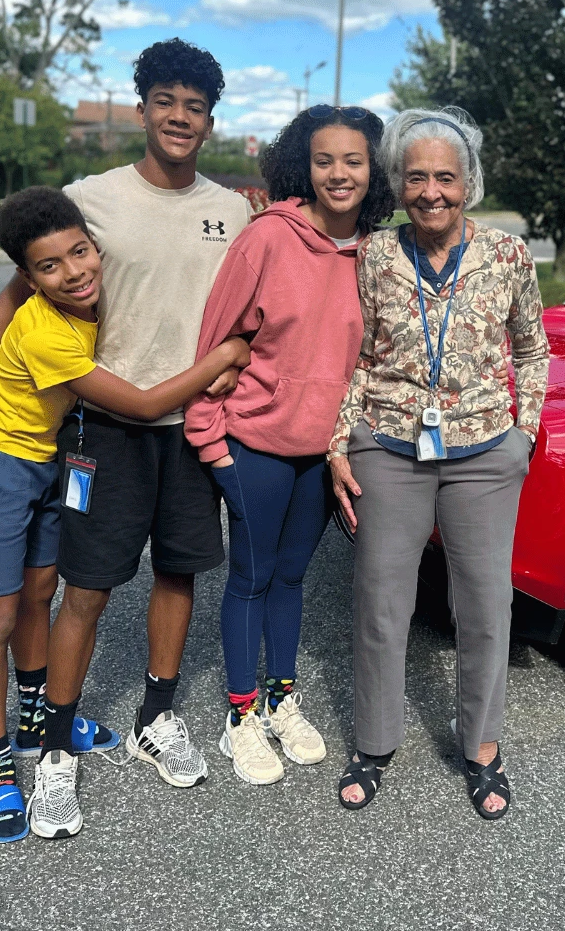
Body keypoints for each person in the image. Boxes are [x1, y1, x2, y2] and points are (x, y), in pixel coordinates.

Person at [0, 39, 251, 838]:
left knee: (180, 573)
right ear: (142, 106)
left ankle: (157, 714)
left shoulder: (234, 210)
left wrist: (235, 369)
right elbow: (14, 302)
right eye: (166, 101)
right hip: (106, 429)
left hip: (192, 432)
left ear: (210, 119)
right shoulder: (91, 201)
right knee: (85, 587)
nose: (180, 117)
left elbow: (251, 310)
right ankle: (54, 754)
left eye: (195, 106)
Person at [329, 107, 549, 820]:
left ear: (469, 184)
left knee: (485, 605)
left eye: (446, 178)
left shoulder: (509, 256)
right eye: (416, 176)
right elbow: (358, 358)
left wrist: (526, 433)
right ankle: (374, 741)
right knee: (382, 606)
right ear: (398, 183)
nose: (431, 192)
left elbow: (533, 350)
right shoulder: (374, 256)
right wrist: (340, 441)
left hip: (486, 451)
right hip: (389, 448)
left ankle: (482, 747)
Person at [185, 105, 394, 785]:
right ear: (303, 164)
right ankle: (240, 717)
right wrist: (210, 442)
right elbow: (214, 345)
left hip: (321, 453)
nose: (339, 173)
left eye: (353, 160)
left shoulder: (377, 253)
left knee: (292, 578)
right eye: (325, 159)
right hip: (254, 445)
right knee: (250, 576)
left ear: (373, 170)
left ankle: (281, 698)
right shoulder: (267, 240)